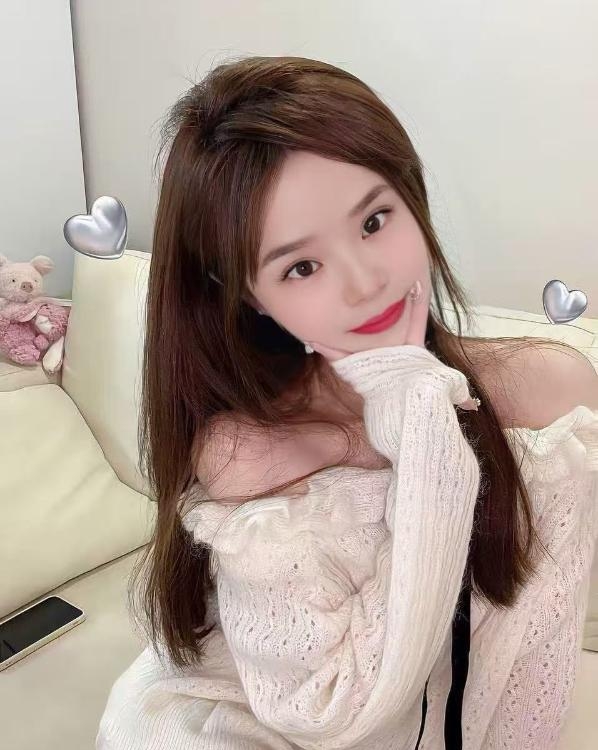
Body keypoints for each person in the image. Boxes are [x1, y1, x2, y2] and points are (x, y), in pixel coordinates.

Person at [96, 55, 598, 749]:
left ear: (411, 196)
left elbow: (535, 645)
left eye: (374, 221)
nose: (367, 283)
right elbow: (332, 711)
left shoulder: (549, 390)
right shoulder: (252, 452)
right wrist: (418, 418)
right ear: (249, 297)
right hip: (248, 719)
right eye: (301, 266)